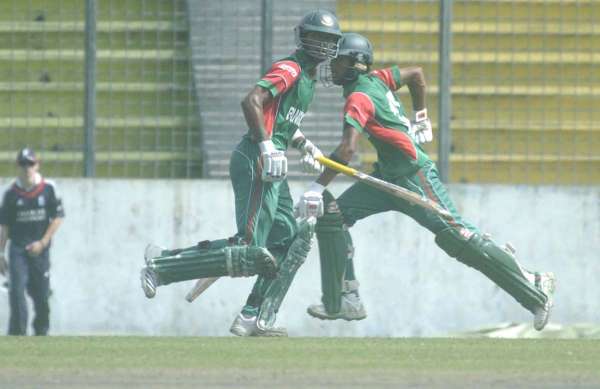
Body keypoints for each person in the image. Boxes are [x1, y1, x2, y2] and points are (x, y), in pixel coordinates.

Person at [295, 33, 556, 331]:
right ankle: (347, 299)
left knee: (458, 238)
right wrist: (421, 116)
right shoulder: (377, 79)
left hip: (413, 175)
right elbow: (416, 75)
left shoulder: (359, 97)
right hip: (386, 177)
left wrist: (317, 187)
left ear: (356, 64)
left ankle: (535, 286)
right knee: (334, 218)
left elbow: (347, 149)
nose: (333, 67)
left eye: (339, 61)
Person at [140, 9, 343, 337]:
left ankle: (254, 316)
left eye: (328, 41)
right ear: (303, 38)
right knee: (251, 248)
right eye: (316, 38)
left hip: (273, 163)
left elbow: (282, 123)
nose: (321, 46)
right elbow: (251, 101)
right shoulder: (289, 69)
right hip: (256, 159)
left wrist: (306, 146)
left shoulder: (308, 81)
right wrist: (265, 147)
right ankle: (161, 267)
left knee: (287, 242)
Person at [0, 148, 65, 336]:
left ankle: (41, 333)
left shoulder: (48, 188)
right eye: (23, 164)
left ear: (37, 165)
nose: (26, 168)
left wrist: (43, 243)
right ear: (18, 166)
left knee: (42, 296)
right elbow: (4, 226)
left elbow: (57, 218)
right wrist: (1, 253)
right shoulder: (11, 193)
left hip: (40, 249)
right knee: (16, 291)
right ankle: (18, 334)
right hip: (18, 248)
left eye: (30, 164)